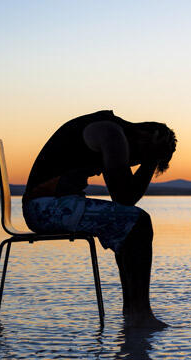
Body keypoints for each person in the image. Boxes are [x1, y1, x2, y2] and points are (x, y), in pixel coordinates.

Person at [22, 110, 176, 329]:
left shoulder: (111, 130)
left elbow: (124, 200)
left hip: (46, 206)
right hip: (44, 208)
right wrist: (151, 159)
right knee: (139, 223)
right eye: (138, 159)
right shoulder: (111, 134)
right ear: (144, 137)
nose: (132, 162)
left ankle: (133, 313)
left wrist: (150, 157)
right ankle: (139, 314)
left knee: (130, 225)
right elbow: (124, 196)